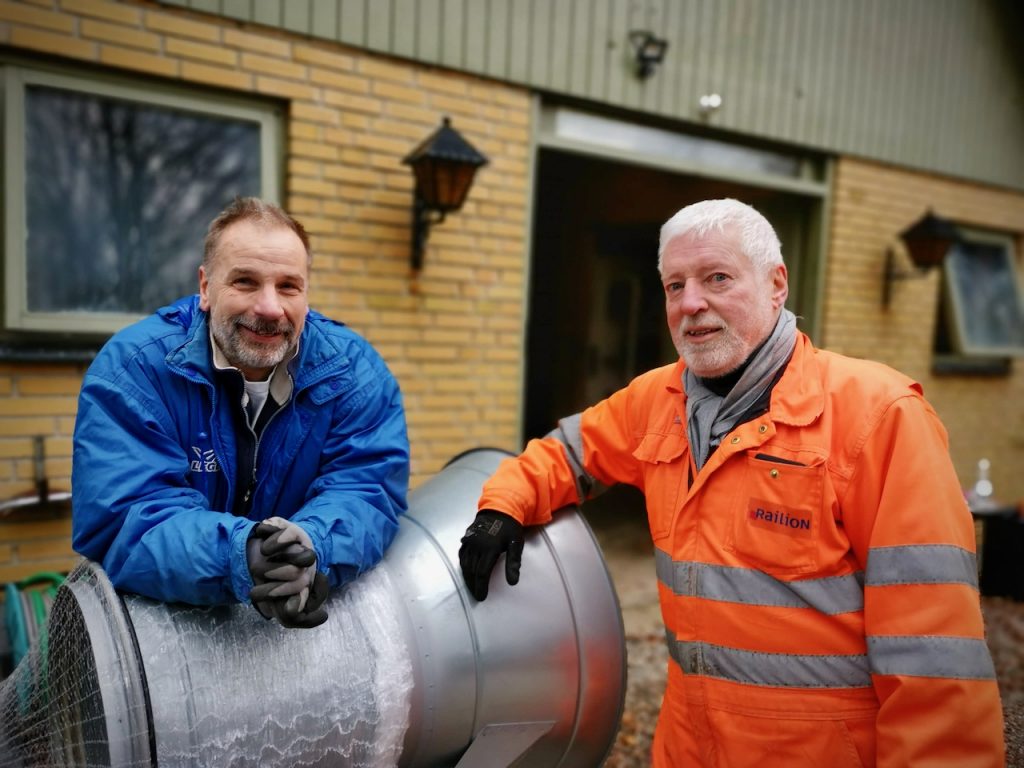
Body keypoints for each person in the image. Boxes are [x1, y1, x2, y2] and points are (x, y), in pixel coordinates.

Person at [459, 199, 1005, 766]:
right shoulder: (657, 399)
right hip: (688, 746)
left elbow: (934, 655)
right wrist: (503, 507)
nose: (691, 303)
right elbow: (565, 453)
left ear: (777, 285)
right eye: (675, 286)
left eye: (717, 277)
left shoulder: (878, 417)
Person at [72, 197, 409, 629]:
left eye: (288, 286)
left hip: (298, 640)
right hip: (159, 645)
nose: (270, 308)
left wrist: (309, 548)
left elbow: (367, 489)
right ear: (205, 288)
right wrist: (241, 554)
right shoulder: (134, 370)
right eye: (246, 282)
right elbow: (124, 517)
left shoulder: (356, 374)